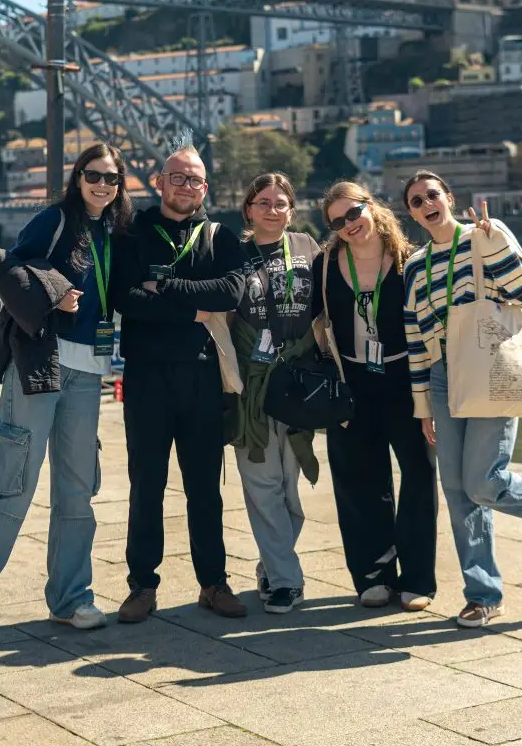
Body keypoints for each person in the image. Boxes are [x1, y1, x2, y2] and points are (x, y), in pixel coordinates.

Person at [0, 141, 133, 634]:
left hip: (89, 373)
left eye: (111, 178)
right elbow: (8, 268)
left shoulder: (116, 231)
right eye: (93, 174)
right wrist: (55, 296)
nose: (102, 184)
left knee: (78, 492)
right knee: (14, 485)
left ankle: (70, 597)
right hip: (41, 365)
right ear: (77, 176)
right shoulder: (54, 220)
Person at [403, 171, 522, 628]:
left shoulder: (486, 237)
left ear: (448, 198)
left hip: (490, 367)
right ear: (411, 213)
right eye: (415, 200)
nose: (426, 202)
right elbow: (416, 335)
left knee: (483, 482)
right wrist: (423, 404)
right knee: (457, 490)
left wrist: (495, 246)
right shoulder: (414, 265)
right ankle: (484, 594)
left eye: (433, 194)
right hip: (444, 375)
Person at [110, 133, 248, 623]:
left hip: (203, 378)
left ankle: (213, 583)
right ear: (158, 182)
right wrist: (193, 311)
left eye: (195, 180)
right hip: (146, 379)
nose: (186, 186)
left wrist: (166, 287)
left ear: (205, 188)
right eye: (178, 177)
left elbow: (231, 292)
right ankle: (142, 586)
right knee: (146, 484)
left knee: (205, 488)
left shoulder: (220, 237)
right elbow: (125, 298)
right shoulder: (130, 233)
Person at [312, 182, 438, 612]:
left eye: (354, 213)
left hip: (406, 379)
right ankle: (372, 576)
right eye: (336, 221)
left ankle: (418, 579)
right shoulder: (326, 263)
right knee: (359, 482)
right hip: (352, 380)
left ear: (371, 207)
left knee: (419, 477)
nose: (348, 225)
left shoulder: (410, 261)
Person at [229, 173, 320, 614]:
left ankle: (272, 564)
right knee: (262, 485)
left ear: (291, 209)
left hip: (300, 384)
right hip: (252, 386)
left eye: (280, 203)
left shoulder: (309, 247)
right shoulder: (233, 253)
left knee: (291, 489)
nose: (271, 210)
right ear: (248, 209)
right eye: (262, 202)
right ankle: (286, 581)